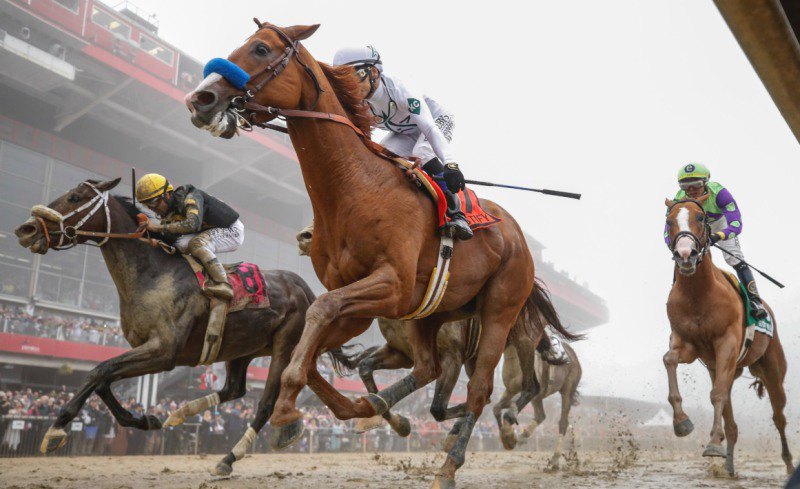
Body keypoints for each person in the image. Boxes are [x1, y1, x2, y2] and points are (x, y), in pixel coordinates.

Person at [332, 46, 473, 240]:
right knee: (381, 158)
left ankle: (457, 214)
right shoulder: (359, 102)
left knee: (422, 151)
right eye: (344, 81)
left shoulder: (400, 90)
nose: (350, 88)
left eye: (354, 77)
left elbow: (429, 129)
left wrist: (450, 163)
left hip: (435, 122)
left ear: (373, 72)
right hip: (404, 132)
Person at [668, 163, 767, 319]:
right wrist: (674, 245)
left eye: (696, 184)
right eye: (686, 186)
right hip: (696, 227)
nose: (691, 190)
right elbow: (668, 231)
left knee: (733, 257)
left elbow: (735, 224)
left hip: (720, 223)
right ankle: (675, 297)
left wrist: (717, 236)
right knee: (684, 254)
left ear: (706, 182)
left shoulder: (720, 194)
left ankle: (755, 300)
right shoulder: (678, 199)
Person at [135, 173, 244, 300]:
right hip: (209, 230)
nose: (152, 208)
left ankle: (224, 284)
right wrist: (150, 240)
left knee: (197, 243)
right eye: (146, 205)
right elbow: (169, 241)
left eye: (153, 202)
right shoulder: (169, 215)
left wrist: (157, 227)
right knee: (179, 245)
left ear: (167, 194)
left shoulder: (191, 197)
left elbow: (192, 224)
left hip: (231, 229)